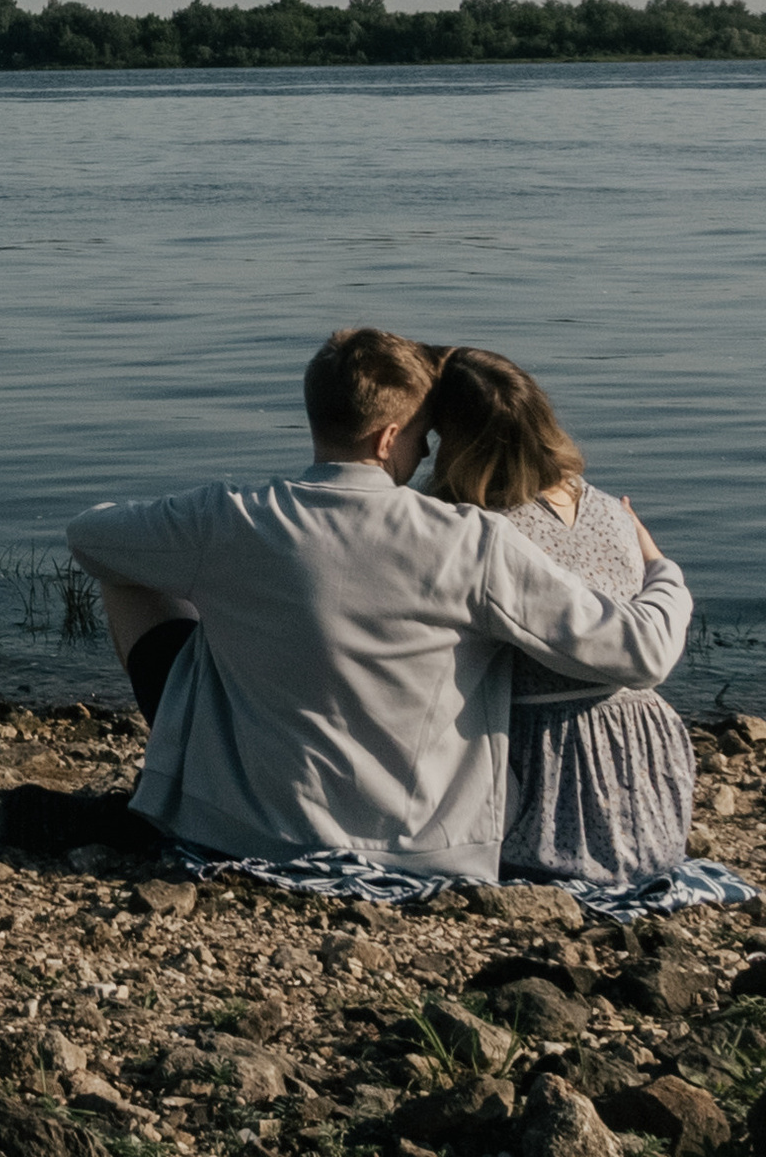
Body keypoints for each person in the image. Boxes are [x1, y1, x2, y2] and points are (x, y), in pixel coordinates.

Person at [66, 327, 690, 879]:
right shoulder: (466, 541)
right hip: (419, 845)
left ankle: (195, 765)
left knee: (139, 580)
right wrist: (661, 570)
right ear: (391, 436)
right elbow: (639, 653)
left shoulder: (230, 518)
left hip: (240, 830)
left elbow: (89, 536)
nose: (426, 456)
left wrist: (229, 593)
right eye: (424, 438)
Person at [423, 346, 694, 885]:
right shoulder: (612, 512)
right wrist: (661, 563)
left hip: (557, 766)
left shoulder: (480, 531)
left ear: (456, 442)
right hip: (648, 762)